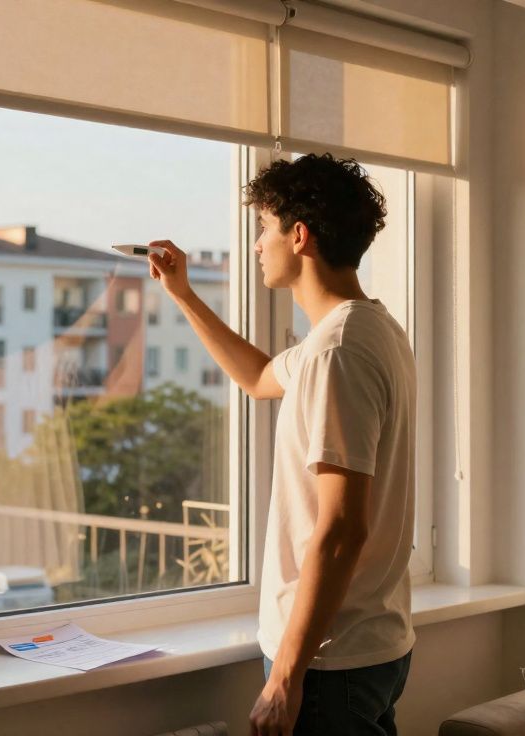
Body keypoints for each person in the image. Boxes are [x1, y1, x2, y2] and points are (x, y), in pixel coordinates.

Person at [146, 153, 415, 736]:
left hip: (329, 662)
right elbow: (259, 377)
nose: (257, 244)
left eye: (265, 227)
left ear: (299, 236)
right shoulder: (367, 331)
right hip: (368, 645)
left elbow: (341, 528)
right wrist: (183, 294)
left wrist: (287, 677)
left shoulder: (338, 352)